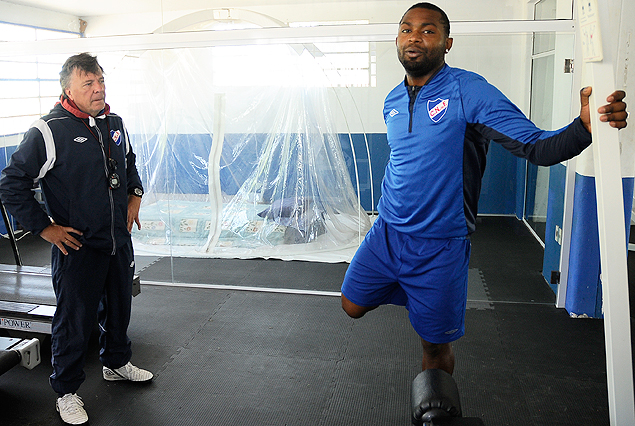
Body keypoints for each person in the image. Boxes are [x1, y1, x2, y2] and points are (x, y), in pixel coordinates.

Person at [341, 2, 628, 377]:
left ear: (447, 43)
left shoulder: (468, 90)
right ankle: (420, 298)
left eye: (428, 30)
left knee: (434, 345)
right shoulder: (393, 100)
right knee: (351, 305)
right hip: (386, 232)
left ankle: (429, 314)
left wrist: (584, 128)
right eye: (407, 29)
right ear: (397, 38)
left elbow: (536, 147)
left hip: (439, 244)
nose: (414, 37)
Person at [0, 53, 153, 425]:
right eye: (88, 83)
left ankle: (115, 363)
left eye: (101, 80)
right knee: (75, 319)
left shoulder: (115, 123)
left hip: (117, 240)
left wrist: (134, 195)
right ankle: (66, 391)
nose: (98, 88)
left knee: (119, 307)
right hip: (78, 246)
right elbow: (11, 184)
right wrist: (45, 228)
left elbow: (129, 163)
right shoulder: (48, 130)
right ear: (68, 88)